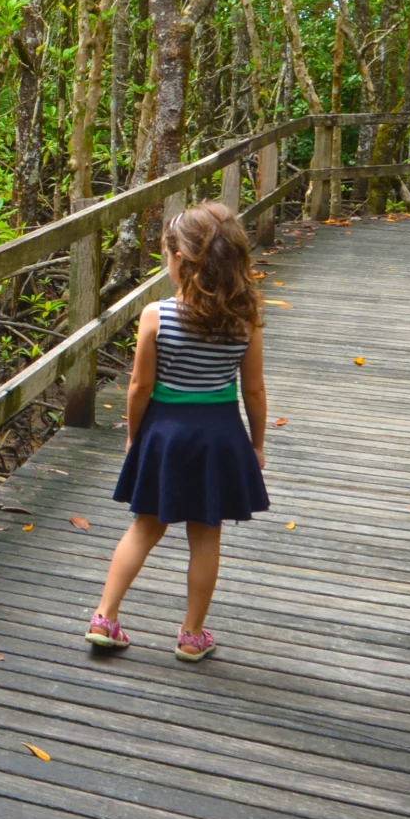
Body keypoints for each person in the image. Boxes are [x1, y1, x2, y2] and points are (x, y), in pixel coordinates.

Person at [83, 199, 269, 661]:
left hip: (165, 431)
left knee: (145, 525)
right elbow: (255, 391)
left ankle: (105, 616)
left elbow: (140, 385)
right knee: (206, 533)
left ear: (180, 260)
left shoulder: (156, 316)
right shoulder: (244, 317)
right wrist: (258, 444)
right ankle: (191, 634)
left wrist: (134, 437)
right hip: (219, 433)